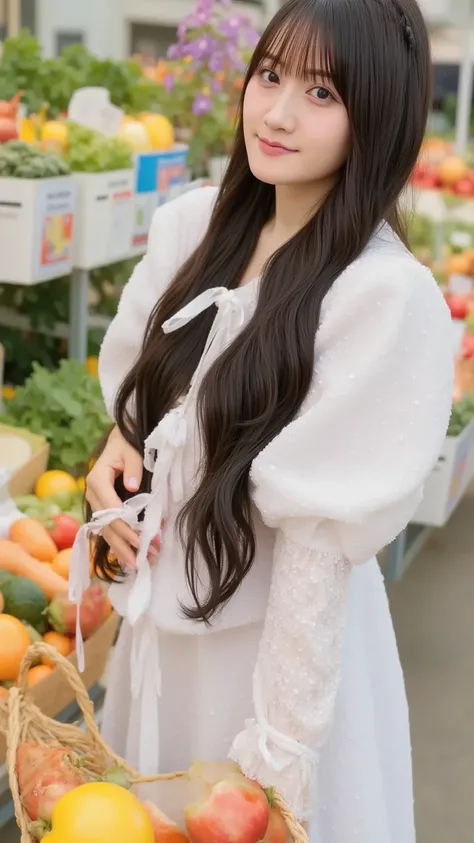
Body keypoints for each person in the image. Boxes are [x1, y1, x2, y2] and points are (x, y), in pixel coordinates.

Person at [72, 0, 454, 839]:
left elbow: (314, 560)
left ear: (378, 116)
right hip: (161, 650)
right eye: (272, 75)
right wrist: (115, 462)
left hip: (271, 675)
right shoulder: (190, 231)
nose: (277, 112)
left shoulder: (378, 298)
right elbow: (148, 412)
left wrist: (277, 769)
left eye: (323, 94)